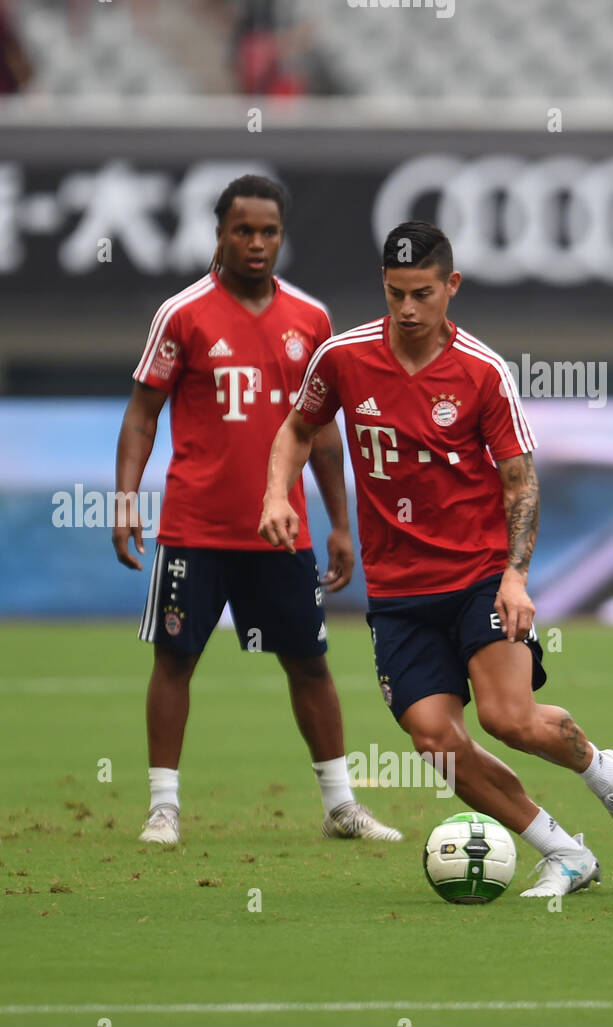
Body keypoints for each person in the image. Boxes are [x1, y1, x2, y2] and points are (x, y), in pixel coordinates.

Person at [260, 220, 613, 897]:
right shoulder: (343, 358)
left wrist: (516, 575)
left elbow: (519, 480)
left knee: (510, 719)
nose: (408, 309)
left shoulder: (483, 371)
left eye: (422, 292)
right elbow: (299, 427)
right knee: (434, 742)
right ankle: (565, 853)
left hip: (479, 575)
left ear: (452, 286)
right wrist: (277, 494)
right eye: (395, 294)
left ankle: (603, 773)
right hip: (397, 590)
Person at [113, 174, 402, 846]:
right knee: (175, 659)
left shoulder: (311, 319)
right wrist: (126, 499)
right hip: (195, 527)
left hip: (281, 530)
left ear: (281, 236)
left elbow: (324, 433)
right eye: (242, 230)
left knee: (309, 662)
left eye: (268, 231)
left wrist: (339, 523)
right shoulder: (182, 314)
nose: (256, 243)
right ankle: (164, 806)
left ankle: (340, 806)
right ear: (218, 233)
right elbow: (141, 415)